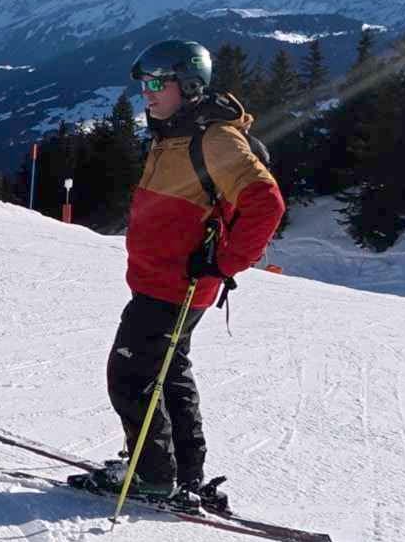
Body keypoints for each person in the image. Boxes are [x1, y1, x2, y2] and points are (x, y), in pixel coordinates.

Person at [70, 40, 284, 512]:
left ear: (188, 86)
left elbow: (266, 203)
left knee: (129, 374)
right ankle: (182, 470)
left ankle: (152, 476)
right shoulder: (174, 132)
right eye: (142, 84)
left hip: (176, 286)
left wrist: (225, 262)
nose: (145, 93)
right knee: (168, 373)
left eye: (155, 84)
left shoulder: (214, 138)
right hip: (162, 281)